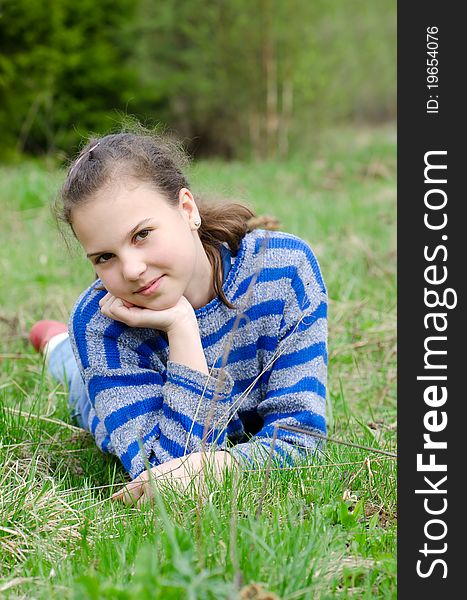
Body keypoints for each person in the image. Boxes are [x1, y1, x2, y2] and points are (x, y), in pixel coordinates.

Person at [29, 129, 328, 506]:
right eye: (105, 257)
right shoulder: (99, 325)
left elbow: (303, 440)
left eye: (142, 234)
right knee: (75, 375)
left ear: (187, 209)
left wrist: (222, 466)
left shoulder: (283, 271)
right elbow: (166, 475)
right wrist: (181, 329)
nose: (133, 270)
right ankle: (58, 346)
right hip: (102, 399)